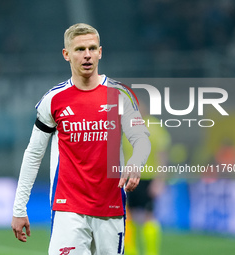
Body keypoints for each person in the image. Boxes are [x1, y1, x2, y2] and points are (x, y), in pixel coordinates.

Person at [11, 23, 151, 255]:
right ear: (66, 54)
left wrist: (136, 162)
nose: (87, 55)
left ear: (100, 52)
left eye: (92, 48)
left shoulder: (121, 95)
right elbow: (34, 153)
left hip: (111, 205)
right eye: (79, 49)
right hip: (68, 206)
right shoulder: (54, 99)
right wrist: (19, 207)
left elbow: (141, 138)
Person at [123, 99, 171, 255]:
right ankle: (131, 251)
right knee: (126, 215)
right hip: (128, 177)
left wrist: (159, 181)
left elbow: (162, 155)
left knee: (149, 216)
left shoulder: (155, 127)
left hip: (147, 178)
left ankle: (151, 252)